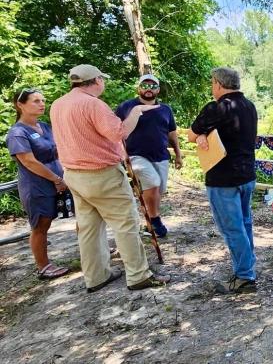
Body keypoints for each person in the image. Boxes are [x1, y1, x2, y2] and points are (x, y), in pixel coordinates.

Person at [50, 64, 168, 292]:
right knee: (126, 223)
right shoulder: (93, 104)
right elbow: (118, 133)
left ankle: (96, 276)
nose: (103, 83)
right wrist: (136, 113)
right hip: (101, 173)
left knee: (88, 228)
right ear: (95, 81)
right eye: (101, 79)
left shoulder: (58, 104)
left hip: (73, 174)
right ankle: (139, 275)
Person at [188, 67, 258, 294]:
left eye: (212, 83)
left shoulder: (216, 108)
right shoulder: (249, 106)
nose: (212, 87)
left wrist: (199, 135)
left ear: (218, 84)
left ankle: (245, 276)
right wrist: (201, 136)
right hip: (247, 175)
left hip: (223, 178)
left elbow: (190, 134)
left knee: (232, 229)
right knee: (244, 223)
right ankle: (247, 267)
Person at [7, 88, 71, 280]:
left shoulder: (45, 126)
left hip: (61, 180)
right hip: (37, 185)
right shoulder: (17, 132)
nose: (42, 104)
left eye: (43, 100)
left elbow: (60, 148)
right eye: (36, 101)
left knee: (83, 214)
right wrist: (56, 179)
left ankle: (94, 250)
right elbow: (29, 161)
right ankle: (43, 266)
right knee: (41, 225)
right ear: (20, 104)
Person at [115, 74, 182, 238]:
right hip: (136, 155)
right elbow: (115, 129)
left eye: (153, 86)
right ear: (139, 88)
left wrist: (178, 155)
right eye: (145, 85)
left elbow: (172, 133)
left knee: (158, 190)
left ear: (158, 90)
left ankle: (149, 225)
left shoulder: (165, 109)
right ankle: (155, 220)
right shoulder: (127, 106)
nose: (148, 89)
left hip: (161, 155)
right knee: (152, 183)